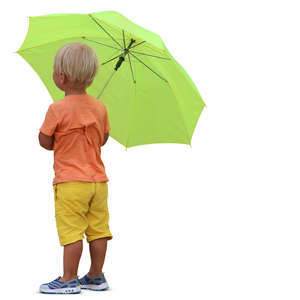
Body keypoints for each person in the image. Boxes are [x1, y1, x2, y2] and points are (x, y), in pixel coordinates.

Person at [38, 42, 112, 294]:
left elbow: (45, 141)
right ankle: (95, 275)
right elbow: (102, 139)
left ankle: (68, 278)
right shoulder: (100, 107)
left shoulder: (56, 109)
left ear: (61, 77)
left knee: (72, 232)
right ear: (91, 76)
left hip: (70, 183)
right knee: (98, 229)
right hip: (98, 183)